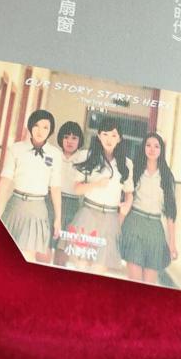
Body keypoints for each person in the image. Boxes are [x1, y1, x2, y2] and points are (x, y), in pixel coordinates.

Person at [66, 116, 133, 273]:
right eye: (105, 134)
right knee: (81, 265)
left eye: (114, 135)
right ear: (98, 135)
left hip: (111, 218)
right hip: (88, 214)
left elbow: (129, 192)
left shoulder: (126, 163)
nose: (109, 139)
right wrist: (96, 184)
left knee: (99, 268)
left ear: (119, 139)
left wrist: (125, 208)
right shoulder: (87, 156)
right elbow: (77, 189)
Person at [0, 108, 60, 262]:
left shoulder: (55, 154)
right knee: (4, 252)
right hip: (15, 205)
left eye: (45, 127)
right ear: (30, 126)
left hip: (37, 209)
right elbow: (5, 179)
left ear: (50, 131)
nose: (40, 131)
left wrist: (58, 218)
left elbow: (55, 188)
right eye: (36, 125)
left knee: (28, 256)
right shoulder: (16, 148)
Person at [120, 131, 179, 285]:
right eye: (148, 145)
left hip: (155, 231)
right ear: (143, 148)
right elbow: (125, 200)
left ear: (161, 150)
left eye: (156, 146)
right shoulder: (135, 170)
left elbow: (170, 212)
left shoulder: (166, 176)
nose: (152, 149)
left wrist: (172, 243)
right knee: (134, 279)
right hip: (134, 225)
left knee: (149, 283)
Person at [51, 119, 86, 266]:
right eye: (66, 137)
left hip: (73, 205)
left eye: (74, 138)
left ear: (79, 140)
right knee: (46, 244)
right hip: (52, 202)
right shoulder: (54, 154)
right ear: (61, 138)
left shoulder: (84, 157)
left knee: (63, 248)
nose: (69, 141)